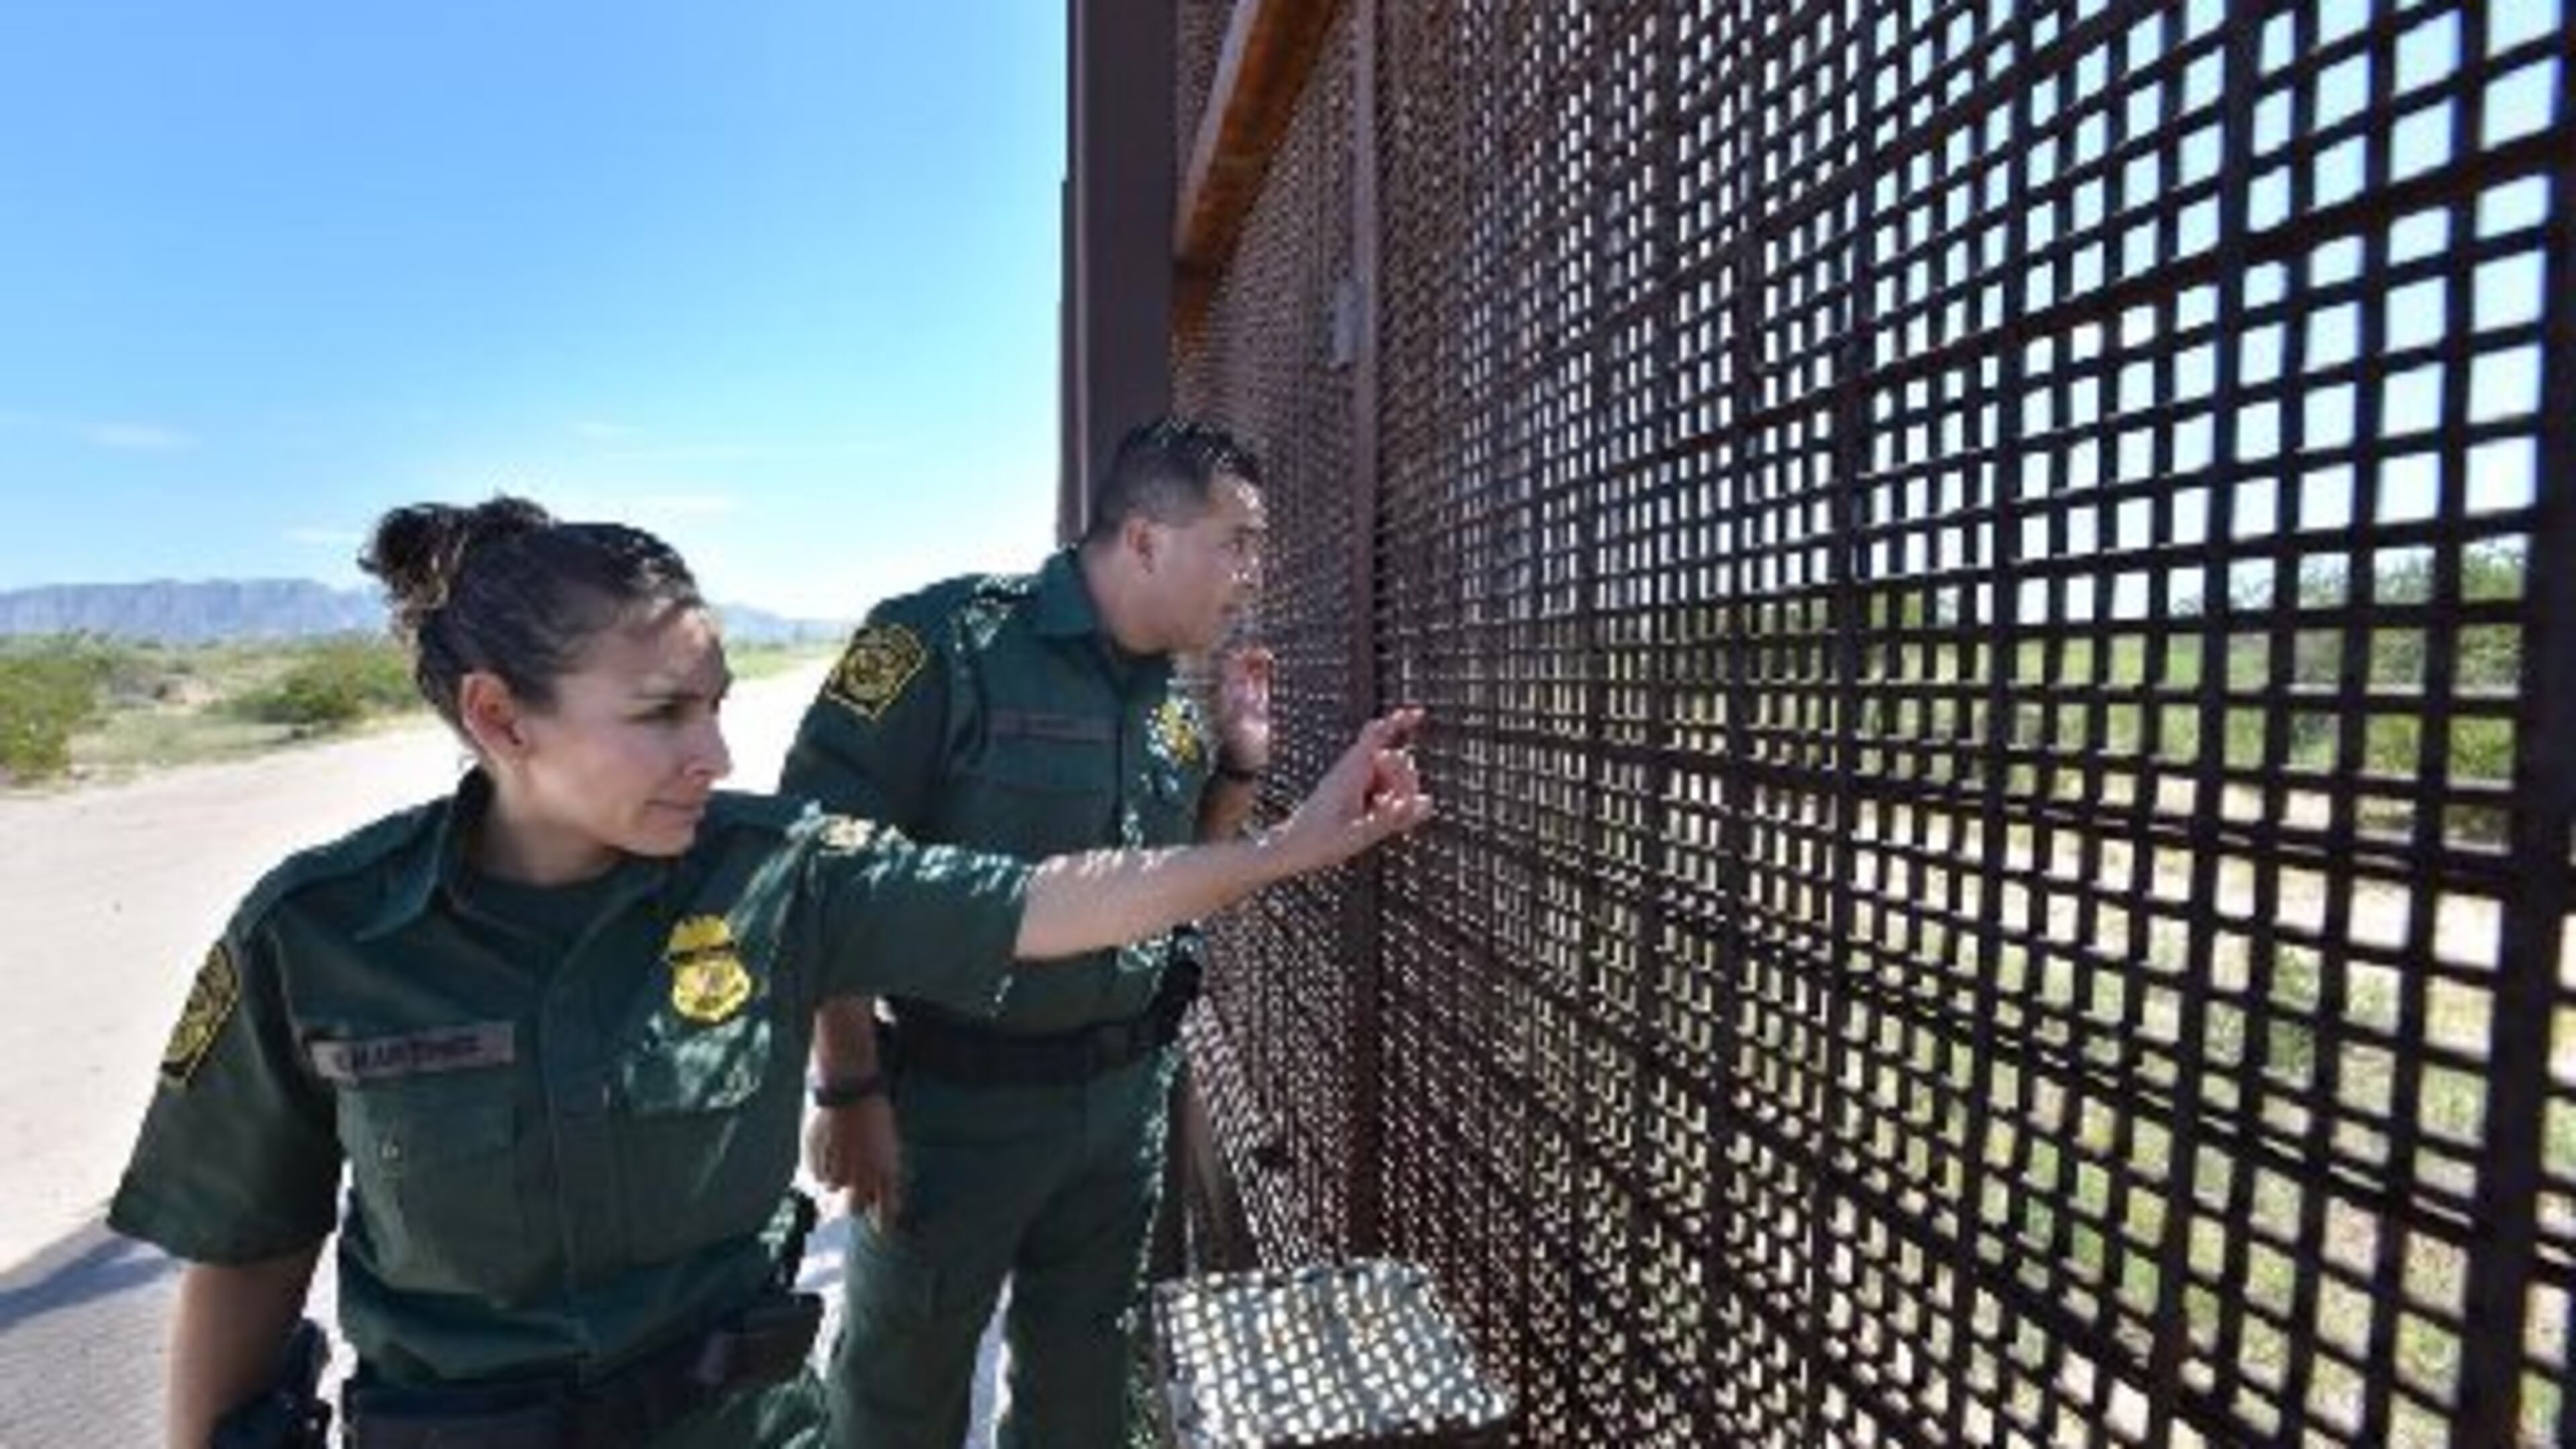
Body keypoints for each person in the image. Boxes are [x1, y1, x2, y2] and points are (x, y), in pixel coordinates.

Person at [107, 495, 1430, 1449]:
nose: (716, 754)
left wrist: (1286, 849)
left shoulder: (776, 870)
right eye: (663, 717)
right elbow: (249, 1254)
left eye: (719, 701)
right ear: (501, 719)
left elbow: (1038, 898)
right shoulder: (322, 936)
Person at [785, 415, 1277, 1448]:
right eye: (1234, 542)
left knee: (1085, 1393)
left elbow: (1179, 879)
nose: (1250, 575)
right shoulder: (943, 646)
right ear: (1143, 538)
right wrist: (850, 1083)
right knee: (896, 1394)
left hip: (1119, 1109)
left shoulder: (1174, 710)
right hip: (954, 1115)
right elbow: (820, 870)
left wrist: (1235, 769)